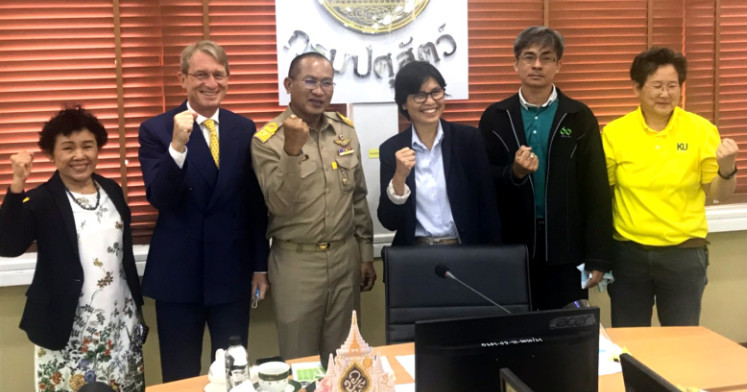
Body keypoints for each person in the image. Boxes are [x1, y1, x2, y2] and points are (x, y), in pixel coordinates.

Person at [138, 40, 269, 382]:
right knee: (180, 375)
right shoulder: (156, 129)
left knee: (233, 373)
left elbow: (254, 205)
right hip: (178, 278)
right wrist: (177, 146)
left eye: (218, 75)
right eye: (201, 75)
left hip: (231, 274)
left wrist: (259, 266)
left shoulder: (243, 128)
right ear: (182, 79)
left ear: (228, 79)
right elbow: (160, 198)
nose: (211, 83)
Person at [0, 106, 145, 391]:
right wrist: (17, 185)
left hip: (119, 319)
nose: (80, 155)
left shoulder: (112, 190)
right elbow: (8, 245)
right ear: (51, 154)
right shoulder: (41, 200)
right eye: (68, 148)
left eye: (87, 146)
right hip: (67, 324)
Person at [250, 52, 375, 363]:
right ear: (288, 85)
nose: (319, 91)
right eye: (310, 82)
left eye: (326, 83)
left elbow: (357, 197)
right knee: (300, 360)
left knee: (345, 358)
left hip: (345, 257)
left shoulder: (344, 131)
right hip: (297, 262)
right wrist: (292, 152)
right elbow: (278, 204)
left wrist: (365, 254)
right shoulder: (267, 140)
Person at [602, 47, 739, 327]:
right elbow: (603, 194)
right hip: (629, 254)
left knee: (681, 339)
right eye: (656, 86)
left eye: (672, 86)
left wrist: (727, 169)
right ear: (637, 88)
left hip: (684, 254)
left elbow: (717, 194)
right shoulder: (615, 132)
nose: (665, 94)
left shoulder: (701, 130)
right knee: (630, 339)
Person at [479, 26, 613, 310]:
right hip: (512, 246)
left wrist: (599, 257)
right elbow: (483, 182)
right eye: (529, 57)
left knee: (564, 327)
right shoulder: (496, 117)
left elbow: (597, 189)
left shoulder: (578, 116)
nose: (537, 65)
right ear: (516, 64)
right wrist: (514, 173)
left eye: (546, 57)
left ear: (558, 65)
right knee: (515, 327)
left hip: (566, 248)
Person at [378, 60, 501, 246]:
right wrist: (399, 178)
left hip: (465, 250)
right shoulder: (391, 149)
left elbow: (488, 205)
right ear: (403, 103)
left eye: (436, 92)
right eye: (419, 95)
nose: (430, 101)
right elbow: (389, 222)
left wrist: (492, 256)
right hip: (415, 253)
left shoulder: (468, 140)